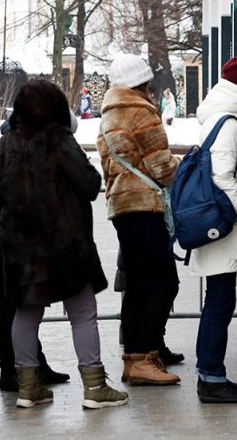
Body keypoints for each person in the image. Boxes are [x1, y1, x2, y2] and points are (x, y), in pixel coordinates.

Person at [0, 79, 128, 410]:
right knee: (83, 313)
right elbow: (89, 183)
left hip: (21, 245)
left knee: (25, 314)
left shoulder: (3, 145)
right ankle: (95, 387)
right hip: (66, 244)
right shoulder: (60, 141)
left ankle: (28, 387)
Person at [97, 54, 181, 386]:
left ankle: (134, 358)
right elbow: (161, 166)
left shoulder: (107, 116)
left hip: (122, 206)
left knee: (136, 286)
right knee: (163, 284)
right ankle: (146, 356)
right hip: (145, 206)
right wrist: (184, 167)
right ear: (142, 84)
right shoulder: (141, 113)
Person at [191, 57, 237, 404]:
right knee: (220, 301)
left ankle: (211, 374)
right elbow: (223, 175)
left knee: (220, 299)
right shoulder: (229, 122)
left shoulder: (220, 116)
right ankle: (211, 377)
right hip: (225, 221)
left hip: (219, 219)